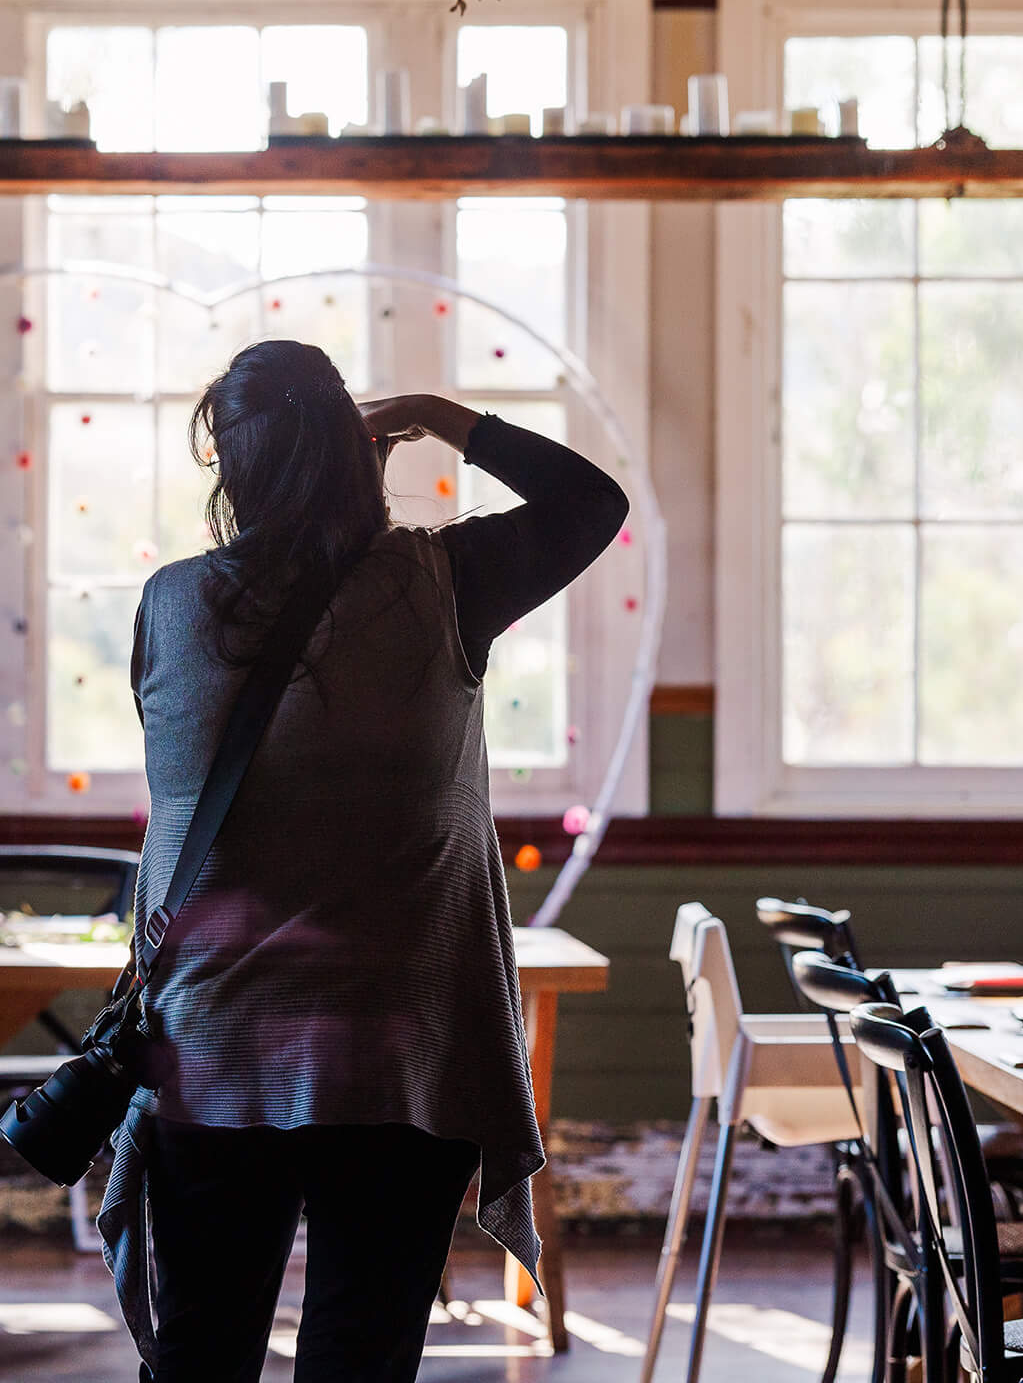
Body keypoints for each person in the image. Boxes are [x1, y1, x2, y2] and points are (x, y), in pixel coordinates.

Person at [98, 338, 629, 1381]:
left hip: (211, 1044)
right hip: (399, 1048)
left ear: (230, 466)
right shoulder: (448, 582)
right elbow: (590, 503)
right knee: (361, 1359)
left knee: (200, 1356)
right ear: (357, 449)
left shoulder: (170, 605)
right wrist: (443, 416)